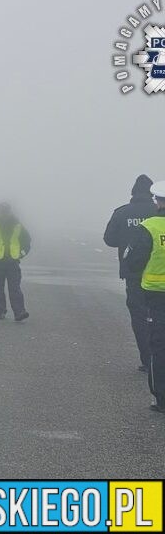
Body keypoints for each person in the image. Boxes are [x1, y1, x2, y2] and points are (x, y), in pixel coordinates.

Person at [105, 174, 157, 371]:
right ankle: (159, 358)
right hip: (160, 274)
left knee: (139, 317)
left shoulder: (122, 212)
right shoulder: (158, 212)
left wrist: (128, 241)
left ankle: (147, 359)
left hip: (133, 274)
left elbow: (109, 239)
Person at [125, 181, 165, 412]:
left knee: (158, 346)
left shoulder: (149, 227)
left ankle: (161, 398)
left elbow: (133, 261)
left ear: (158, 202)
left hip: (156, 296)